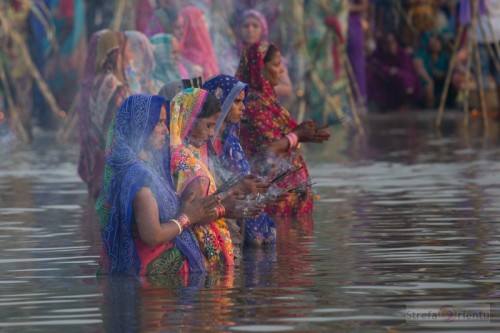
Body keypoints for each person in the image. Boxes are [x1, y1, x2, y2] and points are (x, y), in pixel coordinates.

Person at [95, 93, 222, 276]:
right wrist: (188, 217)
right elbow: (152, 234)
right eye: (159, 122)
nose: (167, 130)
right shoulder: (137, 176)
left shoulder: (146, 166)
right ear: (140, 127)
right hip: (149, 279)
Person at [169, 88, 263, 265]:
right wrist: (225, 209)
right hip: (199, 254)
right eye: (209, 125)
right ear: (189, 121)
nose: (212, 133)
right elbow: (194, 213)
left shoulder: (187, 154)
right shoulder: (185, 161)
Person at [235, 42, 330, 217]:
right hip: (273, 198)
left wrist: (302, 132)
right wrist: (297, 135)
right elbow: (265, 150)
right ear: (259, 68)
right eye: (277, 65)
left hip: (287, 195)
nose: (281, 71)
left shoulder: (267, 97)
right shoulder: (251, 103)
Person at [202, 74, 277, 246]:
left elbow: (241, 179)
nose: (243, 107)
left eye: (242, 101)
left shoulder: (232, 142)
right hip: (218, 216)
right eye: (236, 102)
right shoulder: (202, 146)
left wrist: (262, 192)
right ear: (221, 103)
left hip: (238, 216)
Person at [78, 30, 129, 200]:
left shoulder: (90, 82)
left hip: (95, 158)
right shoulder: (114, 84)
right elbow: (120, 126)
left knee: (97, 213)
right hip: (111, 161)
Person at [223, 9, 292, 99]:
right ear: (239, 29)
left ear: (263, 29)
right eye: (246, 26)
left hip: (265, 109)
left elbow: (287, 89)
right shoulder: (229, 55)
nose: (250, 30)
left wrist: (258, 89)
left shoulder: (271, 54)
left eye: (255, 26)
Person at [366, 33, 421, 111]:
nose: (390, 46)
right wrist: (387, 71)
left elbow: (409, 74)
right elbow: (371, 64)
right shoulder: (378, 55)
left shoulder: (403, 54)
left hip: (401, 89)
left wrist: (397, 73)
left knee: (405, 80)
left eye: (392, 42)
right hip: (384, 90)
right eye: (387, 43)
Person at [178, 6, 219, 81]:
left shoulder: (205, 52)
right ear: (192, 26)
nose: (207, 26)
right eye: (203, 22)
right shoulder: (190, 64)